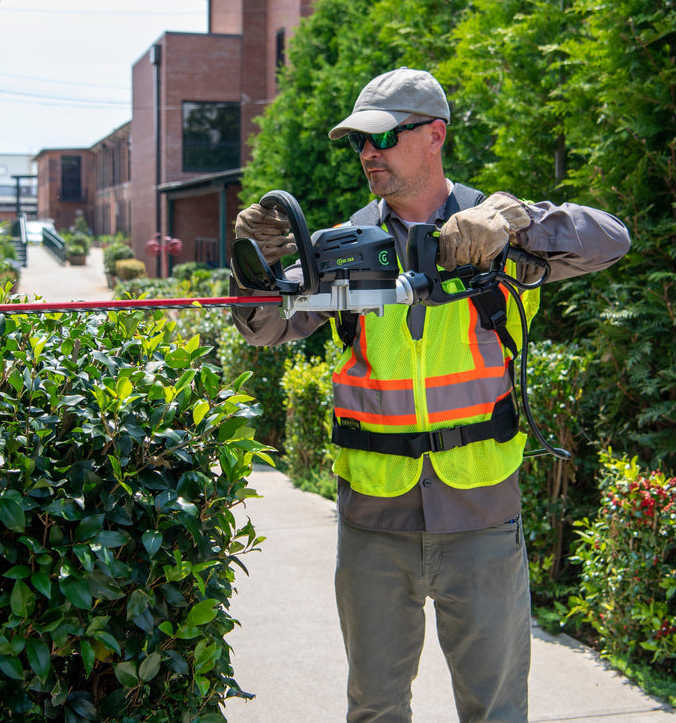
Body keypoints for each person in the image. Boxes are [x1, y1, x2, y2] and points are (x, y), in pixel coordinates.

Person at [231, 67, 630, 723]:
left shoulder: (499, 235)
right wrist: (256, 264)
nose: (368, 152)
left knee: (496, 712)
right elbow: (264, 328)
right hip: (373, 523)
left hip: (481, 517)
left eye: (383, 137)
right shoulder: (342, 248)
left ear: (435, 135)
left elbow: (611, 239)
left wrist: (516, 220)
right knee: (375, 710)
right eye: (359, 141)